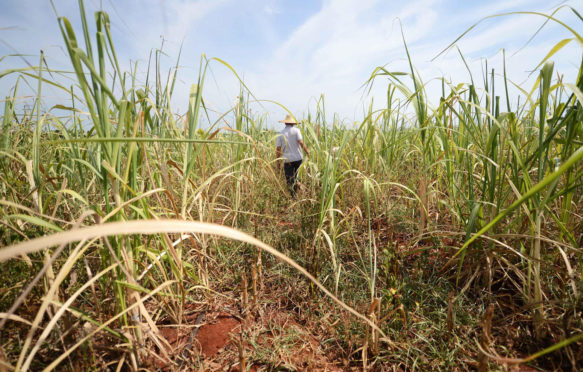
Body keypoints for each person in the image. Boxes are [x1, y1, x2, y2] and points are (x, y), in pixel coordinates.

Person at [276, 114, 309, 197]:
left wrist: (278, 162)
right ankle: (300, 194)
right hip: (298, 158)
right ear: (293, 123)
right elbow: (301, 142)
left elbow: (278, 149)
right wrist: (307, 152)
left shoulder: (281, 133)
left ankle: (293, 197)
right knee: (298, 177)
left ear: (285, 123)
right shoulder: (296, 131)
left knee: (290, 180)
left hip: (288, 160)